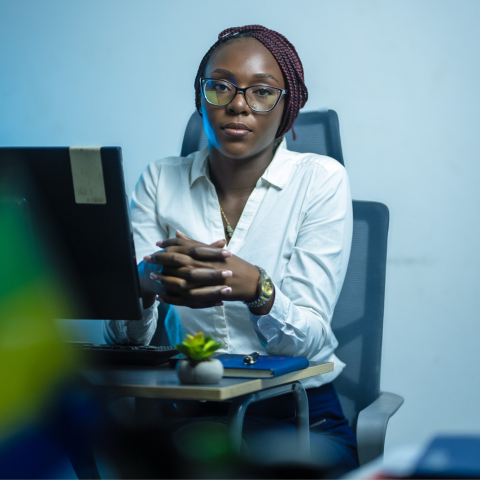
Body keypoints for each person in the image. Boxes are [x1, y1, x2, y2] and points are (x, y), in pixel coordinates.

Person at [104, 25, 357, 470]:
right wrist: (144, 283)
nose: (238, 104)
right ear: (200, 97)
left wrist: (258, 289)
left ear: (288, 108)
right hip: (188, 411)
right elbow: (128, 343)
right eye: (220, 86)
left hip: (296, 417)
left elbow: (311, 339)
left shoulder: (321, 180)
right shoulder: (160, 179)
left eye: (262, 92)